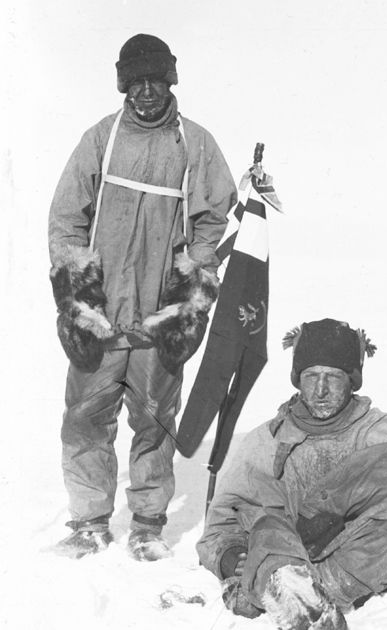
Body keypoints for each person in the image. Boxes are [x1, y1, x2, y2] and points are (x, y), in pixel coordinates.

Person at [48, 33, 236, 561]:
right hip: (101, 313)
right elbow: (66, 217)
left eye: (156, 80)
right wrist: (78, 295)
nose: (147, 92)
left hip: (158, 316)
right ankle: (88, 521)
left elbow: (212, 220)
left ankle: (149, 523)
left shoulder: (194, 144)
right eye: (137, 82)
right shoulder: (101, 140)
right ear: (124, 86)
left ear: (170, 81)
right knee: (85, 416)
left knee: (154, 419)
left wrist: (188, 286)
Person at [197, 319, 387, 629]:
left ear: (352, 380)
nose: (321, 389)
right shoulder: (266, 440)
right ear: (298, 380)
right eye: (311, 376)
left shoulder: (379, 432)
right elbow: (223, 521)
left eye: (334, 376)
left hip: (350, 559)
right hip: (283, 552)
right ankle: (290, 590)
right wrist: (232, 557)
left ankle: (293, 594)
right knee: (268, 526)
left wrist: (322, 512)